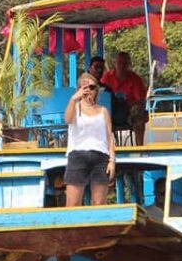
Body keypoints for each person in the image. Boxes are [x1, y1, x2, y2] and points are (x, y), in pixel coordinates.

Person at [63, 73, 116, 207]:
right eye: (85, 87)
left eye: (92, 87)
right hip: (78, 154)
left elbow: (109, 136)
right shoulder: (75, 108)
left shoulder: (103, 111)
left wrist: (112, 160)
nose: (88, 91)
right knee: (73, 203)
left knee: (99, 203)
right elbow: (68, 120)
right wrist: (74, 99)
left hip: (100, 156)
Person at [101, 51, 148, 146]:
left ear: (129, 65)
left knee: (139, 115)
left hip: (129, 112)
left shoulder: (136, 79)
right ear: (115, 64)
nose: (122, 66)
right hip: (110, 111)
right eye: (119, 63)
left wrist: (125, 104)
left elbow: (140, 100)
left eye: (125, 63)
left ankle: (140, 149)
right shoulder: (106, 77)